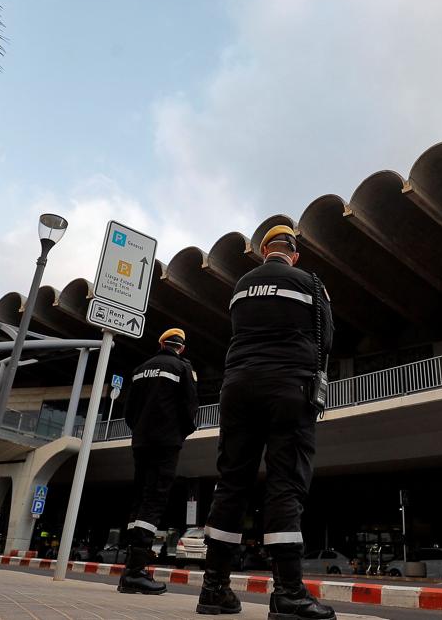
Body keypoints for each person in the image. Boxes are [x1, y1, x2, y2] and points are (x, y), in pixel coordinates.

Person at [199, 225, 334, 619]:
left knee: (231, 483)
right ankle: (288, 592)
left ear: (263, 251)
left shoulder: (241, 286)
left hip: (238, 387)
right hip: (288, 387)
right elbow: (326, 340)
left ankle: (214, 589)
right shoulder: (310, 283)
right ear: (294, 254)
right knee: (285, 482)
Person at [118, 328, 199, 595]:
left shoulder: (140, 369)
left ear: (161, 343)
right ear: (181, 348)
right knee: (154, 499)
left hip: (141, 442)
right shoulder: (182, 368)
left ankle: (129, 570)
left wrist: (141, 431)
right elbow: (190, 407)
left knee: (139, 499)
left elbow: (129, 411)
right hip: (166, 443)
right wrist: (179, 433)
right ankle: (136, 572)